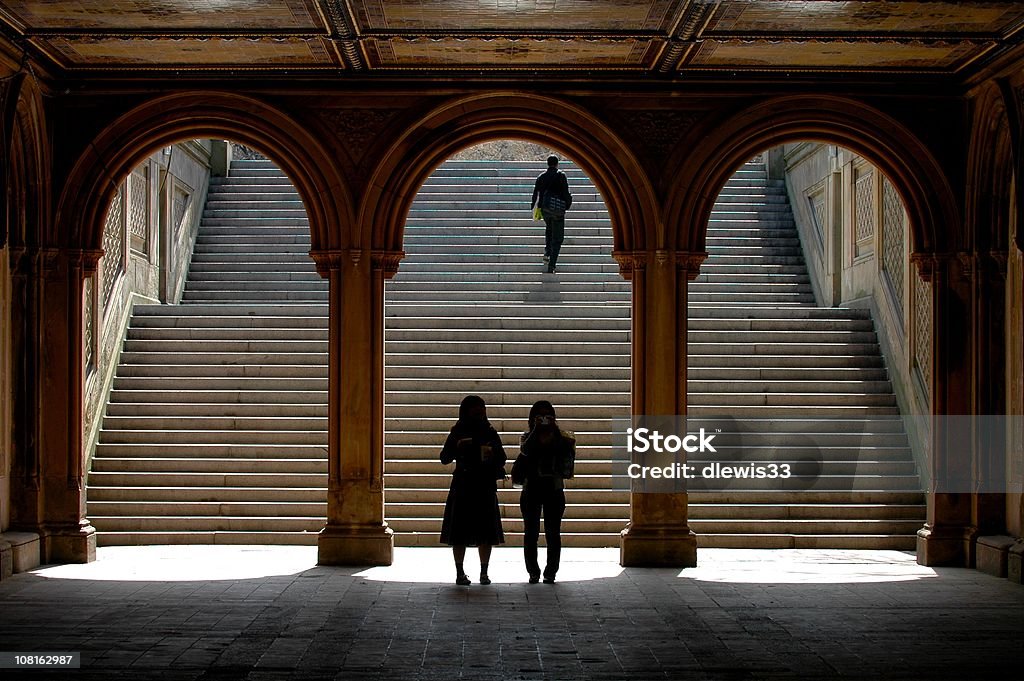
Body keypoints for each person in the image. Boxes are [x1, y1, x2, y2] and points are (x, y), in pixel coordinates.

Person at [439, 395, 507, 585]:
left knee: (485, 531)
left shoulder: (490, 431)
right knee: (459, 531)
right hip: (464, 484)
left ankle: (483, 571)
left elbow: (502, 458)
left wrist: (492, 453)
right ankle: (460, 572)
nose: (479, 411)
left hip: (483, 484)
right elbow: (444, 457)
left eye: (481, 408)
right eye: (475, 408)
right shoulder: (458, 431)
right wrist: (457, 446)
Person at [518, 400, 575, 584]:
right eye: (539, 416)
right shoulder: (527, 436)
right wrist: (536, 430)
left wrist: (553, 430)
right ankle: (533, 571)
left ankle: (551, 571)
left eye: (547, 416)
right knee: (531, 533)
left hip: (553, 488)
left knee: (553, 532)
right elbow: (525, 450)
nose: (543, 420)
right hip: (531, 488)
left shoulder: (561, 438)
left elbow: (566, 453)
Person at [531, 155, 573, 273]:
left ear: (547, 164)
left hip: (545, 209)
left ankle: (547, 252)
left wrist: (534, 207)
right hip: (558, 210)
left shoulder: (541, 177)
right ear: (556, 164)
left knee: (549, 229)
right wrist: (567, 205)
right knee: (558, 238)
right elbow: (565, 192)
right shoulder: (561, 176)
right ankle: (552, 265)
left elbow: (536, 194)